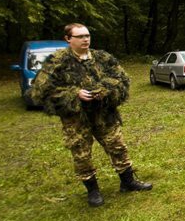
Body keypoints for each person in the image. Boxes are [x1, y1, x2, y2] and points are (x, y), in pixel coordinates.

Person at [29, 23, 152, 207]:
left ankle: (128, 182)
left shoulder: (102, 58)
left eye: (87, 35)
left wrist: (104, 89)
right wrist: (74, 94)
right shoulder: (57, 62)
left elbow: (122, 79)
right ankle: (93, 191)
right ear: (68, 39)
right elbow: (40, 92)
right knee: (82, 154)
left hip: (104, 115)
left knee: (117, 146)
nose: (85, 39)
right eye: (80, 36)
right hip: (76, 119)